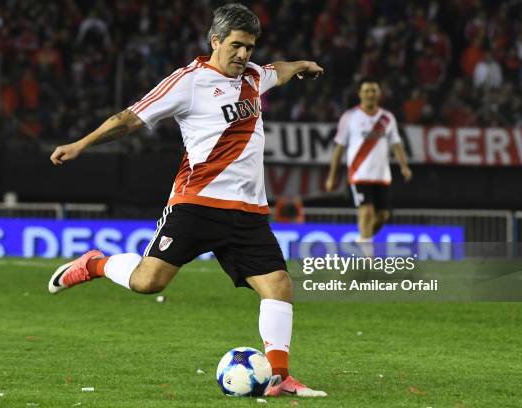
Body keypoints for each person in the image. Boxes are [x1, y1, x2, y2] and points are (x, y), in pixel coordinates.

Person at [48, 3, 326, 398]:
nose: (244, 54)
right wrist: (81, 144)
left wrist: (301, 64)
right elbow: (129, 118)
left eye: (249, 46)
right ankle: (93, 264)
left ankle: (280, 378)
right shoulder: (187, 82)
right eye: (236, 46)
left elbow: (276, 70)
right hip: (197, 204)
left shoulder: (252, 76)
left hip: (247, 212)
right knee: (148, 281)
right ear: (215, 41)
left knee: (279, 285)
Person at [325, 77, 412, 246]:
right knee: (366, 212)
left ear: (379, 94)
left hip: (382, 175)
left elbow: (397, 144)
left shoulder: (387, 118)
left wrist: (404, 167)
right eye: (366, 91)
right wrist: (331, 177)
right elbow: (338, 150)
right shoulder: (349, 117)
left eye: (373, 91)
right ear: (360, 94)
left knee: (383, 215)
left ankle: (363, 240)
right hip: (359, 174)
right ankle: (367, 258)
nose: (370, 94)